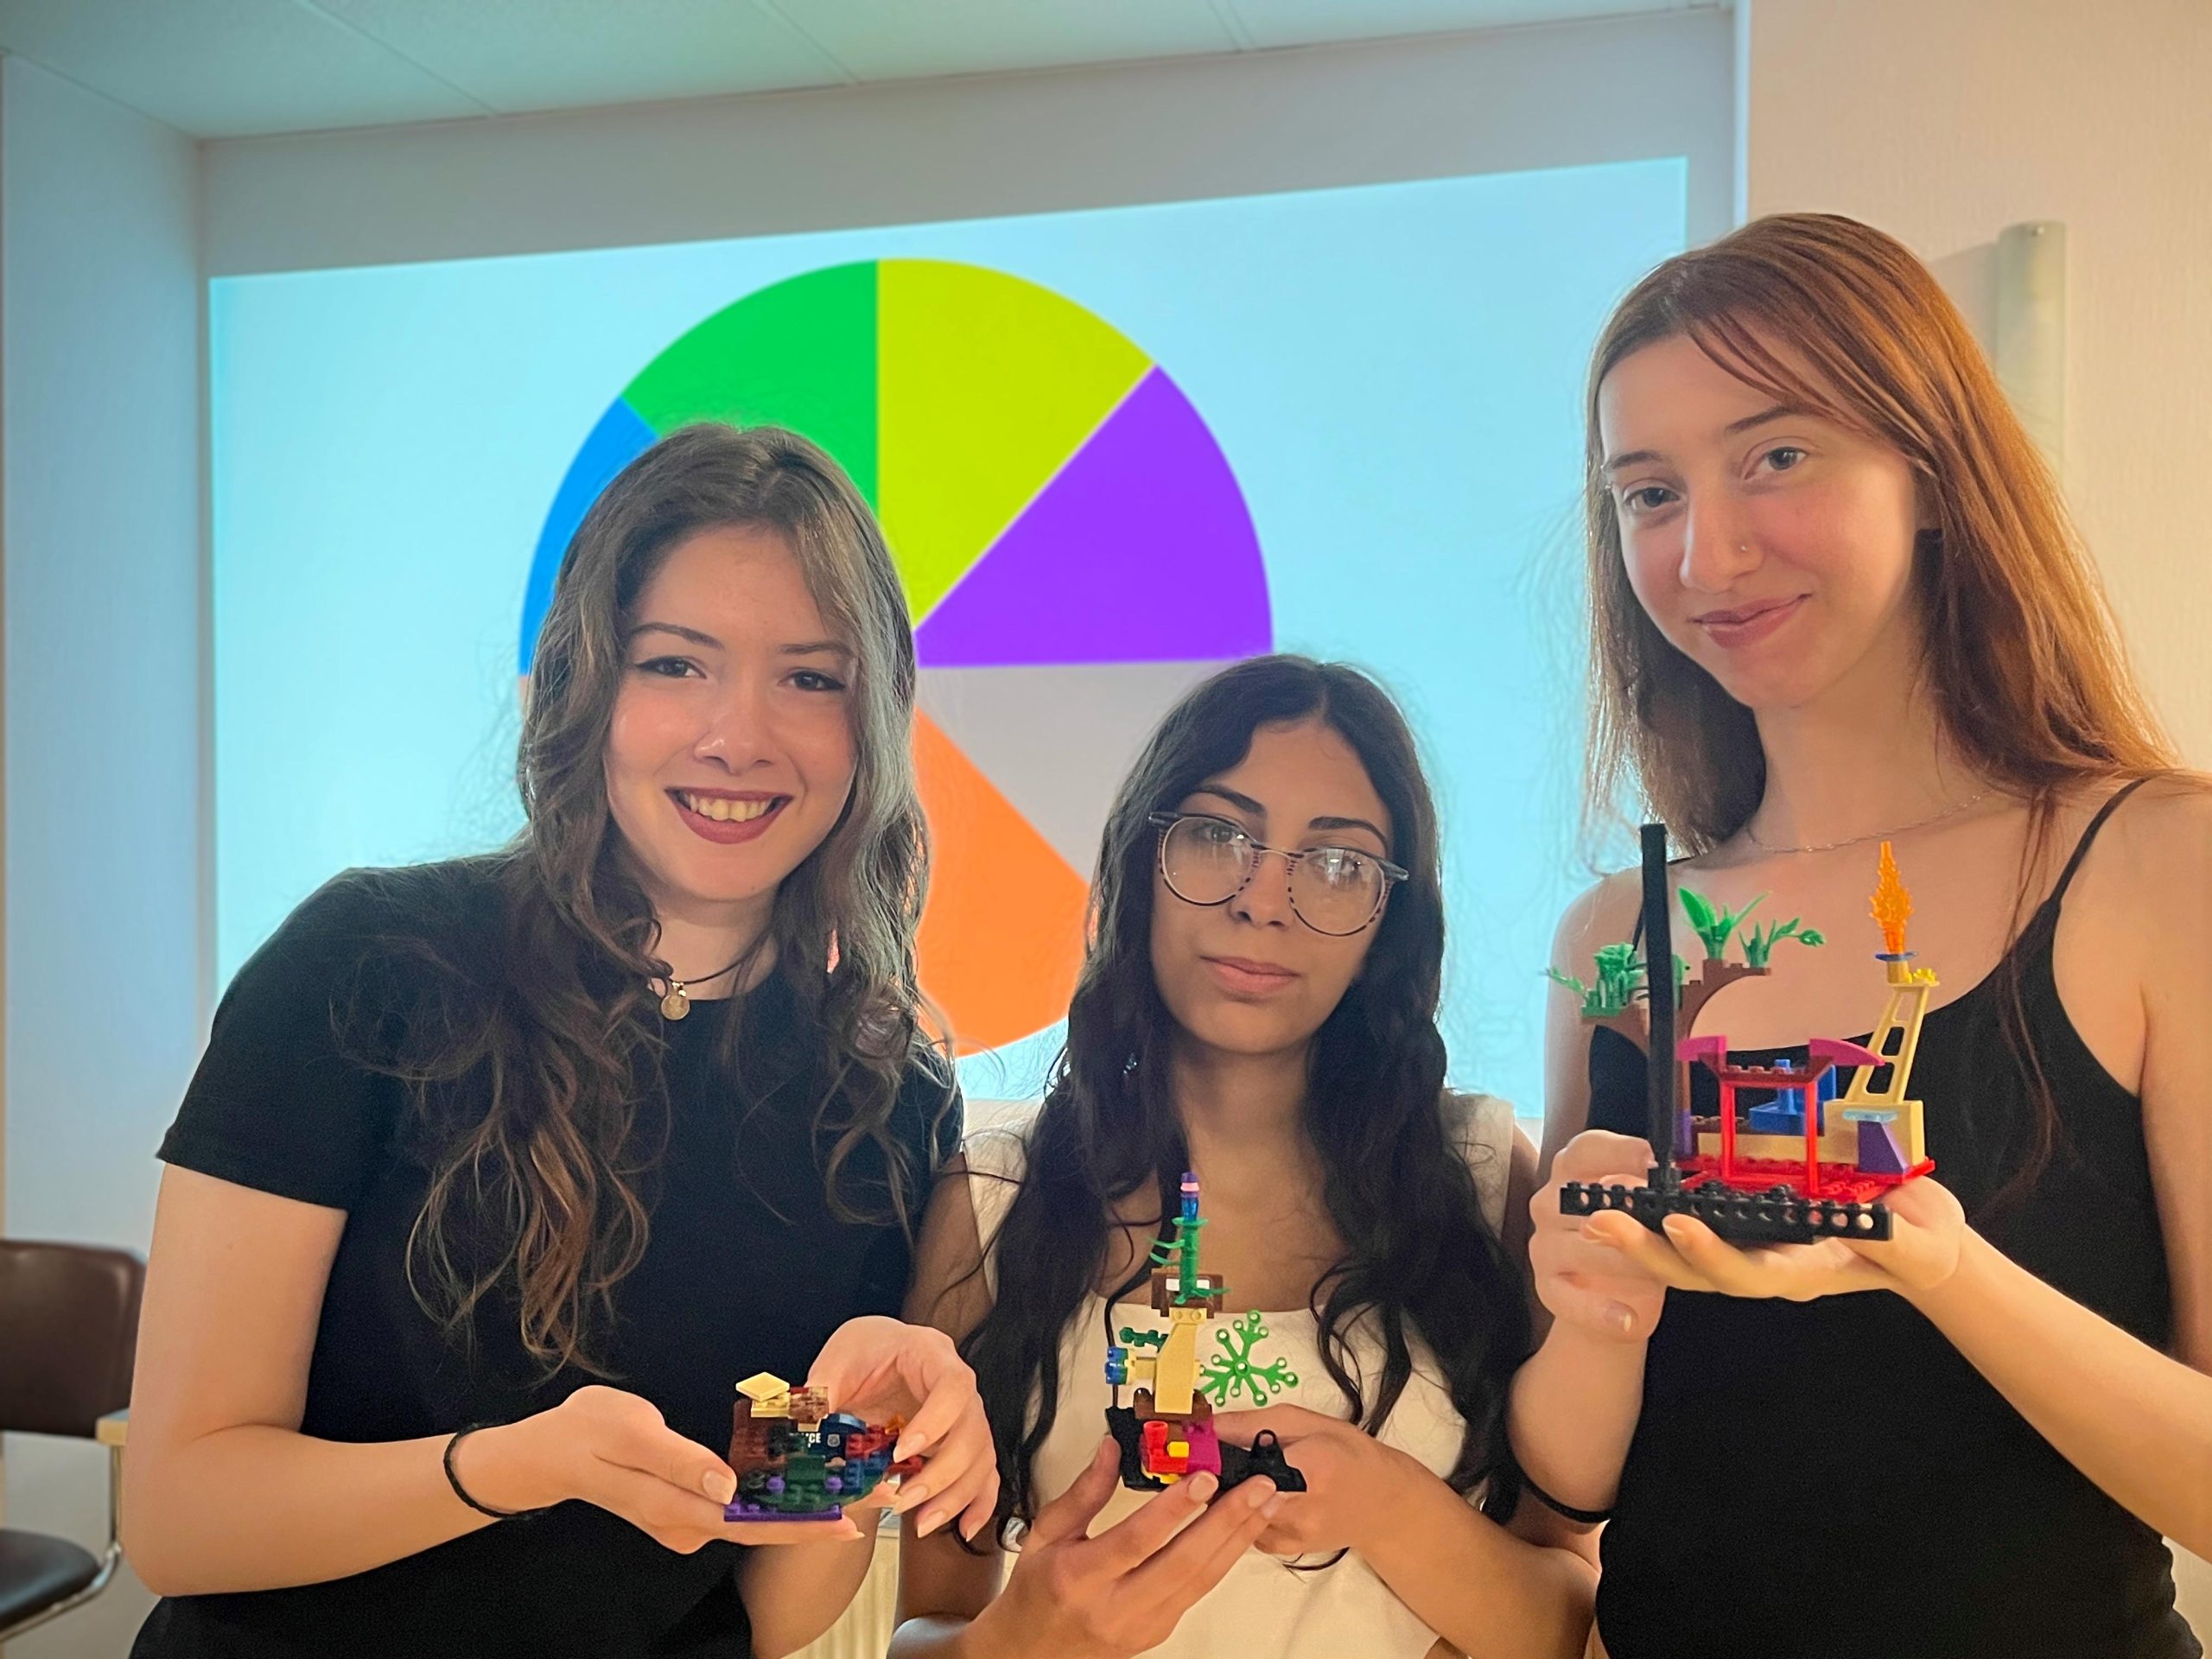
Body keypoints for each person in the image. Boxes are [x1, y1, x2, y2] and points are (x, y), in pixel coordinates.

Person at [124, 424, 998, 1658]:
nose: (739, 736)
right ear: (587, 687)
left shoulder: (884, 1089)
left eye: (811, 679)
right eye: (675, 664)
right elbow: (179, 1518)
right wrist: (510, 1469)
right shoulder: (367, 966)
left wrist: (844, 1445)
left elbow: (766, 1611)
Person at [1512, 213, 2211, 1657]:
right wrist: (1586, 1302)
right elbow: (1564, 1503)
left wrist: (1938, 1265)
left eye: (1777, 455)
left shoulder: (2158, 863)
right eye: (1649, 493)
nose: (1707, 551)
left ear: (1935, 471)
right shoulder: (1617, 934)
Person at [893, 655, 1596, 1659]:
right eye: (1218, 836)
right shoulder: (995, 1199)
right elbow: (923, 1626)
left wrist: (1386, 1506)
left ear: (1387, 925)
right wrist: (1015, 1640)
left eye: (1339, 862)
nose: (1265, 901)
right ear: (1141, 862)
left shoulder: (1484, 1176)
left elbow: (1571, 1622)